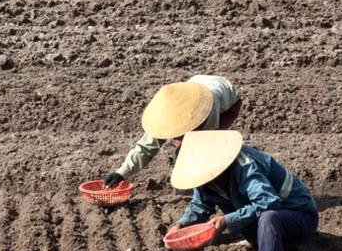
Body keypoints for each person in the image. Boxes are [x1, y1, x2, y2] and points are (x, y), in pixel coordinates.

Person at [167, 130, 319, 251]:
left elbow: (268, 202)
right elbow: (201, 204)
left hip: (300, 216)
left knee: (269, 218)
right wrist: (180, 225)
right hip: (273, 221)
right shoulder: (203, 174)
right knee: (241, 211)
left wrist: (227, 220)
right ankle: (261, 242)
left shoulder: (244, 165)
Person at [102, 75, 242, 188]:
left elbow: (205, 143)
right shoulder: (164, 114)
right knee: (184, 151)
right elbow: (146, 148)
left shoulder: (208, 106)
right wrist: (121, 173)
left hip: (226, 104)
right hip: (195, 86)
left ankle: (215, 188)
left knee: (204, 151)